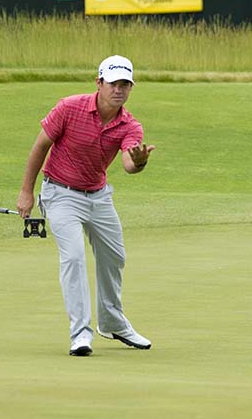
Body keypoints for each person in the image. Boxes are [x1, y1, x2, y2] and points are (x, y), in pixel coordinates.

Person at [16, 55, 155, 356]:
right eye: (113, 83)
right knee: (74, 258)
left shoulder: (130, 125)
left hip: (98, 195)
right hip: (60, 193)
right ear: (99, 82)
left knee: (114, 256)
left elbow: (129, 164)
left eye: (125, 84)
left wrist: (140, 162)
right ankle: (80, 334)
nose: (119, 90)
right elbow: (40, 146)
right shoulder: (69, 107)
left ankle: (112, 322)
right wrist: (27, 192)